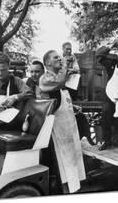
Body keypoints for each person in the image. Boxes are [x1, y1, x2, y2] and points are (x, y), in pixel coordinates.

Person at [39, 50, 86, 193]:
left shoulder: (59, 78)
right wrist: (66, 65)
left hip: (68, 124)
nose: (60, 59)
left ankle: (74, 188)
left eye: (60, 57)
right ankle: (66, 192)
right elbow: (59, 83)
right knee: (62, 162)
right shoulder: (45, 78)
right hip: (57, 128)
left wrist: (72, 106)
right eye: (56, 58)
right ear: (47, 63)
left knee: (73, 157)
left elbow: (61, 96)